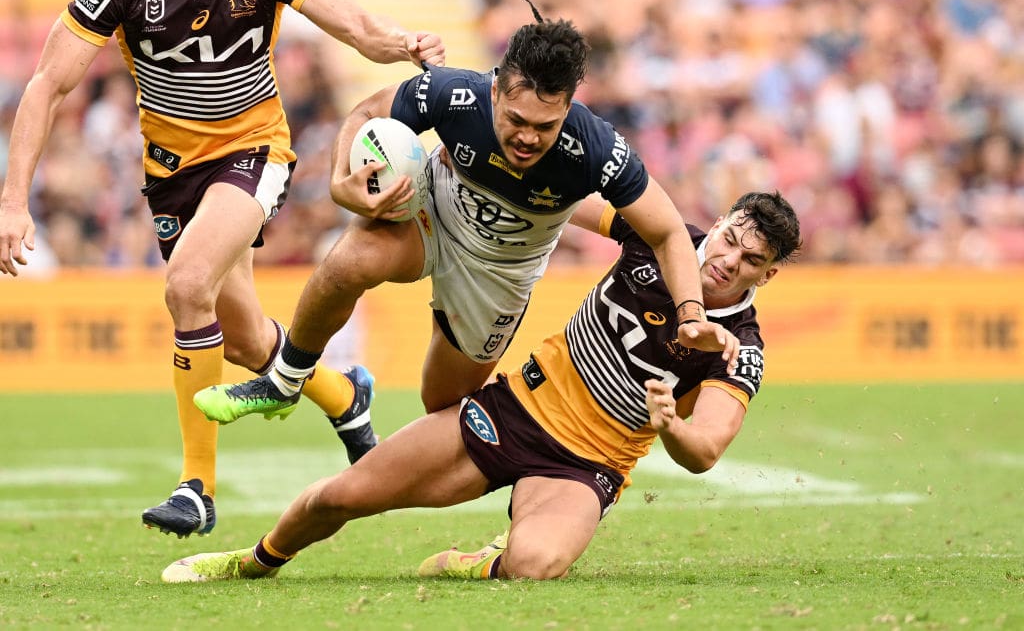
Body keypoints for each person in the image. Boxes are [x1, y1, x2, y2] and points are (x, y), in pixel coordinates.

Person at [0, 0, 445, 539]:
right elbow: (48, 84)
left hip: (253, 153)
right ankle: (345, 397)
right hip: (172, 176)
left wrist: (404, 44)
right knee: (244, 340)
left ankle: (197, 488)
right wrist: (11, 200)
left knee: (187, 284)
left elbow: (359, 28)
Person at [160, 190, 802, 583]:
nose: (725, 262)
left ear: (767, 276)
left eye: (749, 262)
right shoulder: (659, 235)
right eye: (728, 240)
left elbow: (707, 450)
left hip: (590, 464)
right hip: (516, 409)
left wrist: (672, 425)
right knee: (340, 498)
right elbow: (562, 197)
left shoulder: (741, 348)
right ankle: (252, 562)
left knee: (534, 566)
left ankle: (480, 560)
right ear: (716, 224)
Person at [192, 0, 737, 438]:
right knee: (349, 260)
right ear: (496, 88)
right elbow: (366, 110)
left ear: (568, 109)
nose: (527, 137)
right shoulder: (456, 94)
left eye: (545, 127)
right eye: (516, 118)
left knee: (440, 404)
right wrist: (341, 184)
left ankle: (360, 401)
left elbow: (667, 232)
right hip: (430, 214)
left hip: (499, 277)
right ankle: (287, 378)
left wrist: (692, 315)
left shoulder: (598, 149)